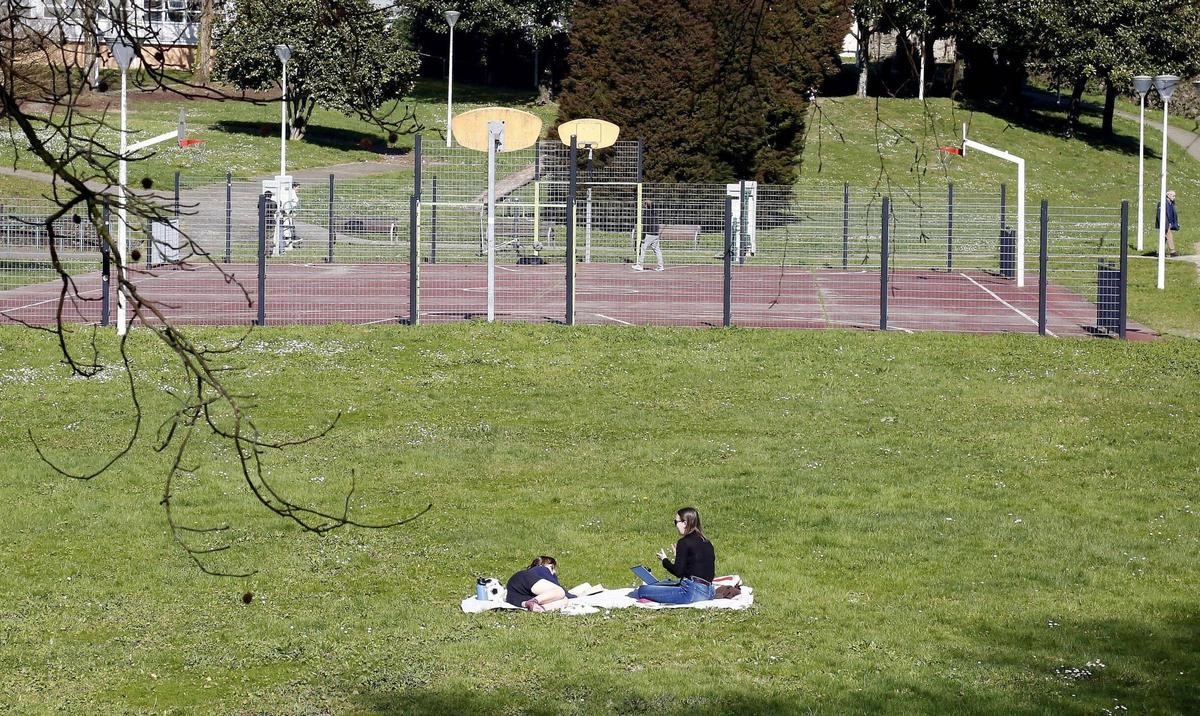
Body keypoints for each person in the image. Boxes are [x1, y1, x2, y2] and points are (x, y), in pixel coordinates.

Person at [631, 507, 716, 604]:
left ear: (685, 523)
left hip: (692, 593)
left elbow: (678, 572)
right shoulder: (707, 542)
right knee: (665, 583)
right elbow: (696, 568)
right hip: (709, 592)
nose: (676, 526)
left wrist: (664, 560)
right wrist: (679, 556)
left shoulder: (684, 542)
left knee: (643, 590)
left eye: (676, 522)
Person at [505, 555, 571, 612]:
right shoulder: (540, 569)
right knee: (560, 592)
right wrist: (574, 596)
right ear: (541, 564)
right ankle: (534, 601)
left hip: (516, 597)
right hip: (523, 581)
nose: (554, 571)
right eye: (552, 567)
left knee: (564, 601)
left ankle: (538, 608)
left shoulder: (533, 574)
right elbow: (559, 590)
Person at [633, 199, 664, 272]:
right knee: (657, 250)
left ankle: (640, 265)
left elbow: (645, 224)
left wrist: (644, 235)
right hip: (656, 233)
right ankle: (660, 266)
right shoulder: (655, 212)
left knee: (643, 248)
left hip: (649, 234)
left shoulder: (646, 213)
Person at [1155, 189, 1180, 258]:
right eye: (1173, 196)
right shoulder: (1163, 202)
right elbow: (1160, 214)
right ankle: (1172, 251)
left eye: (1174, 196)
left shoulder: (1171, 203)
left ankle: (1159, 252)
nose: (1174, 197)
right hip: (1165, 223)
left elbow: (1172, 214)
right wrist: (1165, 223)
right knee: (1169, 236)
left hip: (1168, 223)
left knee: (1163, 238)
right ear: (1168, 195)